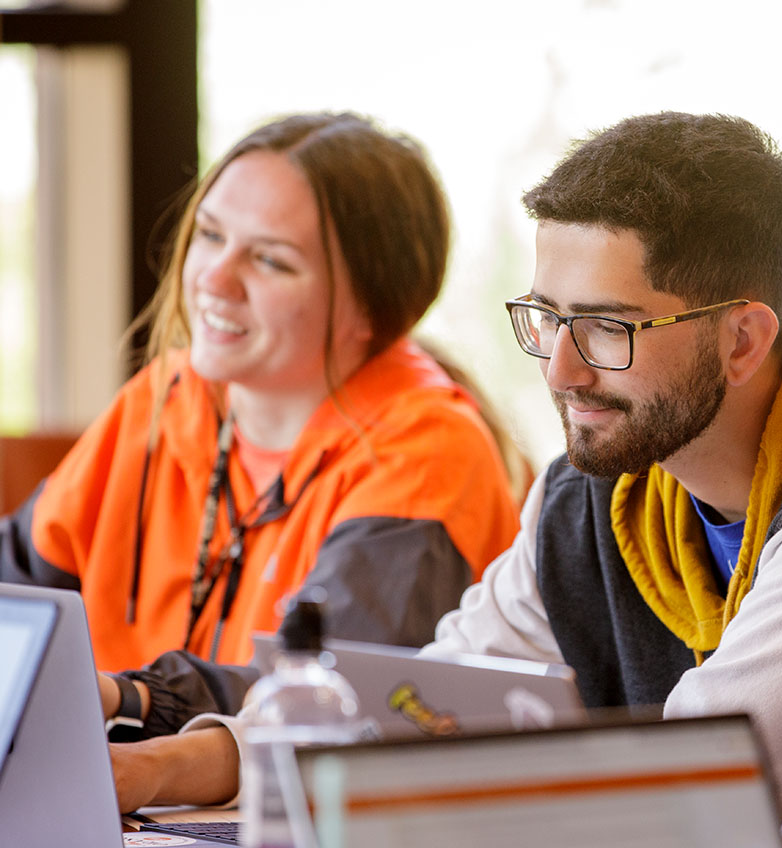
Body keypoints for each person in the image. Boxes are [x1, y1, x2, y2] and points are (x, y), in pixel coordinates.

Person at [108, 111, 782, 815]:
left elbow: (691, 786)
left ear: (742, 339)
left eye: (605, 328)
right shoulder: (606, 489)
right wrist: (147, 773)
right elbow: (417, 709)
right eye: (547, 317)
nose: (559, 369)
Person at [0, 113, 520, 734]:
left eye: (270, 261)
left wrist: (126, 697)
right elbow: (18, 595)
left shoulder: (430, 451)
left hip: (293, 817)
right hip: (135, 802)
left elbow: (320, 695)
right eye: (211, 235)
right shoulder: (165, 396)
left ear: (372, 310)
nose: (214, 279)